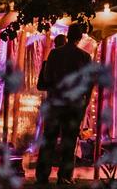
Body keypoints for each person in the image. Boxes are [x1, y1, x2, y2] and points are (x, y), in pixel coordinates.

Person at [34, 25, 94, 185]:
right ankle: (64, 176)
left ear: (67, 35)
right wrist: (86, 102)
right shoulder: (85, 57)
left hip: (55, 102)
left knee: (50, 139)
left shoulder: (55, 54)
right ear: (80, 37)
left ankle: (42, 175)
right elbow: (89, 84)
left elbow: (46, 78)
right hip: (74, 104)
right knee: (69, 140)